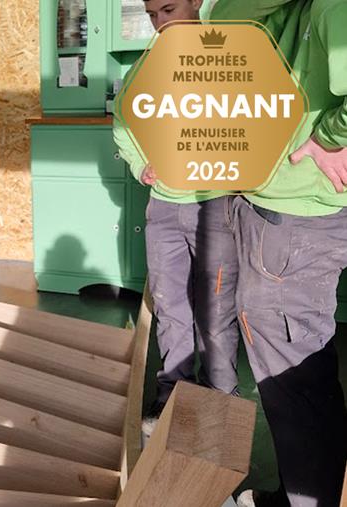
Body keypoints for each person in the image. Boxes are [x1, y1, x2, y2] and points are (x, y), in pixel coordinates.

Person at [210, 1, 347, 505]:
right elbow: (222, 20)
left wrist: (332, 136)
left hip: (298, 217)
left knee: (295, 376)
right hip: (278, 211)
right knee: (295, 371)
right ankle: (300, 493)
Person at [113, 0, 241, 434]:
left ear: (196, 2)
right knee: (170, 307)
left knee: (216, 311)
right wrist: (140, 165)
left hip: (216, 204)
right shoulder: (148, 65)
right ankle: (172, 391)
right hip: (164, 208)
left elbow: (257, 117)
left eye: (168, 9)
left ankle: (220, 399)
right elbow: (123, 121)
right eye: (152, 15)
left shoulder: (226, 53)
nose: (160, 23)